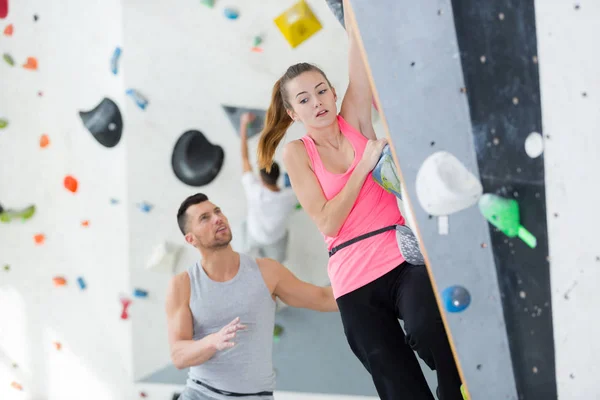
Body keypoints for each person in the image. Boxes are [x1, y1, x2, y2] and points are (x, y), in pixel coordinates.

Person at [255, 1, 463, 399]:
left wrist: (353, 6)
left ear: (334, 93)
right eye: (303, 99)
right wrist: (364, 165)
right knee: (398, 386)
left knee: (428, 325)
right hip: (352, 282)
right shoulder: (298, 153)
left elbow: (360, 48)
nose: (316, 102)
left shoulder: (354, 118)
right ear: (292, 111)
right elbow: (328, 222)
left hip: (400, 259)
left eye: (321, 91)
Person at [167, 193, 338, 400]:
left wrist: (376, 288)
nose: (217, 218)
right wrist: (212, 342)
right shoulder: (183, 284)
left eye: (217, 211)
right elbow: (178, 355)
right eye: (205, 218)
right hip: (201, 394)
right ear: (191, 239)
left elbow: (322, 297)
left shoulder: (267, 272)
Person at [239, 112, 298, 263]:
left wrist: (244, 124)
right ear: (278, 176)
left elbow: (245, 158)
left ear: (260, 178)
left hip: (254, 234)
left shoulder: (253, 189)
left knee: (247, 262)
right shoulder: (290, 197)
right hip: (275, 239)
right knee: (277, 265)